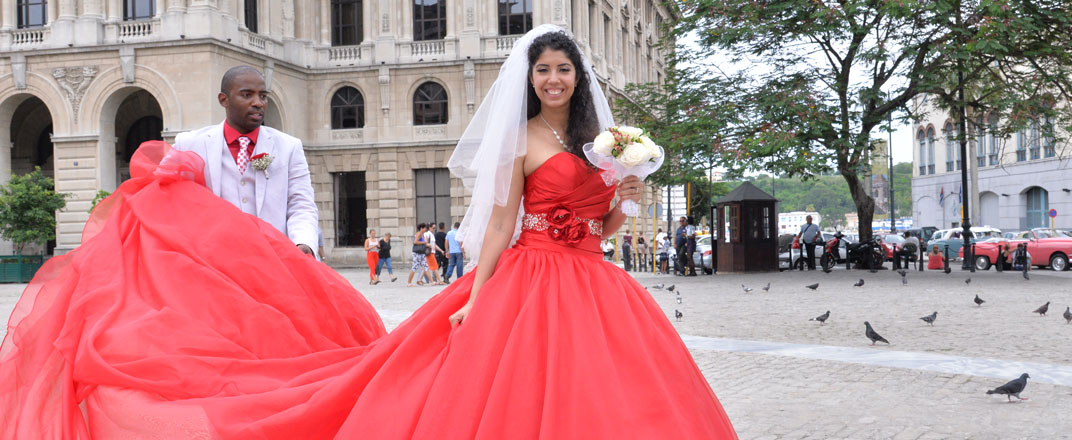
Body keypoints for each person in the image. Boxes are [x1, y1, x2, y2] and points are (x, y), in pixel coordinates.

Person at [0, 25, 735, 438]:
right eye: (543, 69)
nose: (553, 80)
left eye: (562, 71)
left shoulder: (597, 144)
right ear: (531, 76)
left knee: (613, 394)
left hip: (593, 281)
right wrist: (477, 294)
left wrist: (629, 196)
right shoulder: (519, 142)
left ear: (578, 80)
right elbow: (504, 223)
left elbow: (601, 228)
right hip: (529, 274)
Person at [173, 65, 318, 257]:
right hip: (212, 262)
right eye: (247, 95)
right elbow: (172, 202)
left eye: (263, 96)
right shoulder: (189, 144)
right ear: (223, 99)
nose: (258, 103)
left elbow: (301, 204)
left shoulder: (289, 147)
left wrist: (303, 242)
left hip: (274, 260)